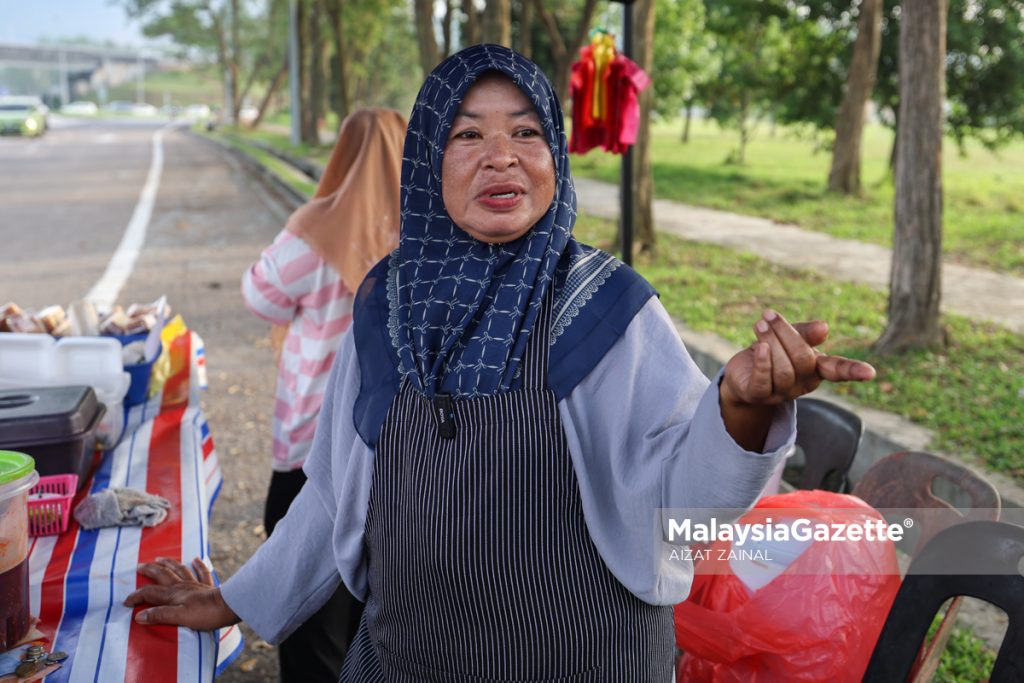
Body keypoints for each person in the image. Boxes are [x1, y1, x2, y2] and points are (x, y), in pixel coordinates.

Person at [125, 45, 875, 681]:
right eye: (466, 134)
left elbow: (684, 517)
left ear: (554, 155)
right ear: (425, 160)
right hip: (404, 660)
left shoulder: (608, 307)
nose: (501, 156)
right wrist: (238, 599)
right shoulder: (387, 301)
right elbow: (333, 495)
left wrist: (740, 412)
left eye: (525, 131)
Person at [238, 107, 406, 681]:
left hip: (314, 445)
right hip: (394, 450)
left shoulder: (317, 226)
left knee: (309, 611)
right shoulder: (431, 227)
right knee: (376, 608)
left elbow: (261, 297)